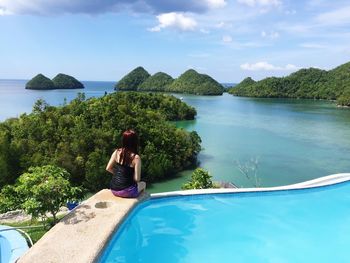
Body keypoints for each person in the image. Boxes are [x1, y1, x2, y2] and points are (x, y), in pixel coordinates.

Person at [106, 129, 146, 198]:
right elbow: (137, 179)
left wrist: (120, 175)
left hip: (114, 189)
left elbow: (108, 168)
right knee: (143, 184)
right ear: (135, 142)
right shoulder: (136, 158)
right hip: (127, 191)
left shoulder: (116, 152)